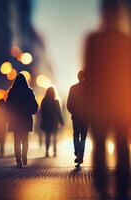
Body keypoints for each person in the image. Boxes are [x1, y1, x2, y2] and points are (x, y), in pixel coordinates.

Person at [84, 0, 131, 197]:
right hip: (121, 102)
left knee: (100, 144)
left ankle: (102, 187)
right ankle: (122, 187)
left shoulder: (93, 40)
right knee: (121, 143)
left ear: (102, 14)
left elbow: (89, 73)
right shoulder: (125, 40)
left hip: (100, 102)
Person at [6, 73, 38, 168]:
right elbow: (35, 106)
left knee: (16, 140)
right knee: (25, 140)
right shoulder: (29, 92)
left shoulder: (12, 92)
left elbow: (8, 107)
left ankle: (18, 160)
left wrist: (8, 117)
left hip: (15, 120)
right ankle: (24, 156)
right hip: (25, 119)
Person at [67, 71, 88, 168]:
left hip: (76, 117)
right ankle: (81, 155)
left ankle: (77, 152)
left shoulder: (73, 88)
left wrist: (73, 112)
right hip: (85, 117)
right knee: (83, 136)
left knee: (76, 134)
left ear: (78, 77)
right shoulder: (89, 89)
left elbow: (69, 104)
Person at [40, 87, 64, 157]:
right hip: (54, 121)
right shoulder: (56, 101)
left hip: (46, 121)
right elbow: (58, 112)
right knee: (54, 137)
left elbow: (41, 111)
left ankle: (47, 151)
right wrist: (61, 121)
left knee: (47, 136)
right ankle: (54, 151)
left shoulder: (44, 101)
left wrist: (42, 119)